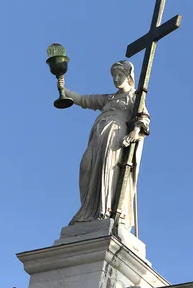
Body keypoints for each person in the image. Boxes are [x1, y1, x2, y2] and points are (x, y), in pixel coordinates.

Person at [60, 60, 149, 230]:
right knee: (86, 166)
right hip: (97, 137)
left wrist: (134, 132)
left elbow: (143, 118)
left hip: (115, 136)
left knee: (108, 169)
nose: (116, 79)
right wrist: (64, 89)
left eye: (120, 75)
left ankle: (106, 209)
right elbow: (83, 100)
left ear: (128, 76)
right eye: (114, 75)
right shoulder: (109, 98)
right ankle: (88, 211)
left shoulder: (135, 97)